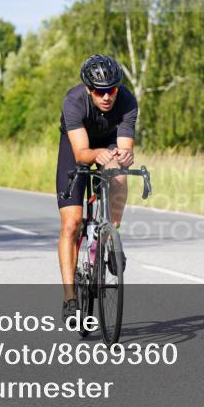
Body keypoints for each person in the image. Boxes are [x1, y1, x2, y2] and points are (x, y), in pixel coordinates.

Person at [56, 55, 137, 322]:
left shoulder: (127, 100)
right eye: (100, 91)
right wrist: (99, 153)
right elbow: (81, 153)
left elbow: (125, 148)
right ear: (89, 89)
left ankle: (111, 237)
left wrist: (123, 156)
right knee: (72, 223)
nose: (106, 97)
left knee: (120, 176)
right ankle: (69, 296)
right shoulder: (73, 101)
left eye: (111, 90)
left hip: (109, 143)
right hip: (77, 146)